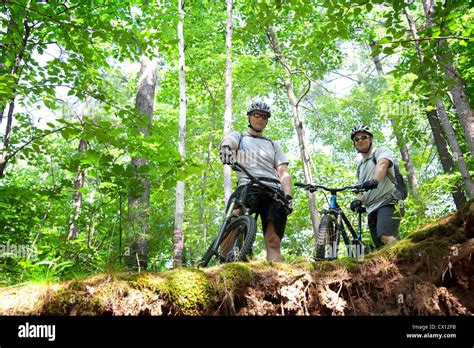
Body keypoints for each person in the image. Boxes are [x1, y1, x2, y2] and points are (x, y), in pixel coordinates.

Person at [219, 101, 292, 262]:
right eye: (256, 115)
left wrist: (288, 196)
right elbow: (229, 142)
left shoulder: (273, 144)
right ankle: (222, 264)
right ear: (250, 117)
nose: (260, 119)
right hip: (249, 184)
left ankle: (276, 277)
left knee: (273, 240)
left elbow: (283, 172)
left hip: (274, 191)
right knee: (233, 219)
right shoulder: (239, 136)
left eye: (264, 117)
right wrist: (225, 149)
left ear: (267, 121)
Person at [349, 125, 403, 248]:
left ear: (371, 139)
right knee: (381, 248)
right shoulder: (360, 167)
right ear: (354, 144)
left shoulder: (381, 151)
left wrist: (374, 180)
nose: (360, 140)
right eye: (356, 139)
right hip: (371, 209)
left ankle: (409, 256)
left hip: (390, 201)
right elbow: (363, 193)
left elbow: (382, 164)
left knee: (385, 236)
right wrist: (358, 201)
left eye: (364, 137)